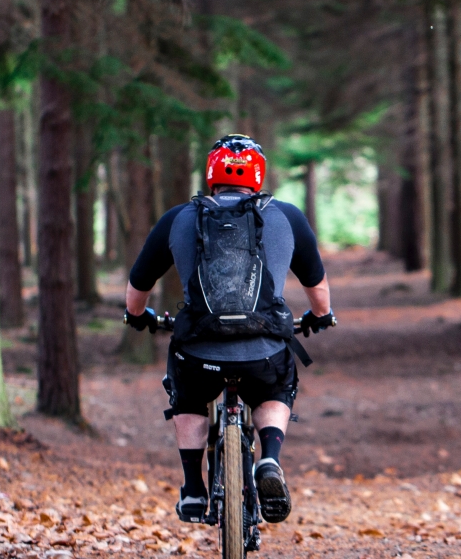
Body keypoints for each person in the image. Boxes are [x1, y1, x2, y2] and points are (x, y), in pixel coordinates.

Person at [123, 134, 336, 525]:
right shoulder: (286, 216)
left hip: (199, 353)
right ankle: (269, 459)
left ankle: (192, 488)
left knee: (186, 392)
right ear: (258, 175)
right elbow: (317, 289)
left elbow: (139, 284)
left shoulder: (180, 217)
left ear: (210, 175)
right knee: (276, 386)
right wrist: (320, 316)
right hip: (264, 353)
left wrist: (138, 316)